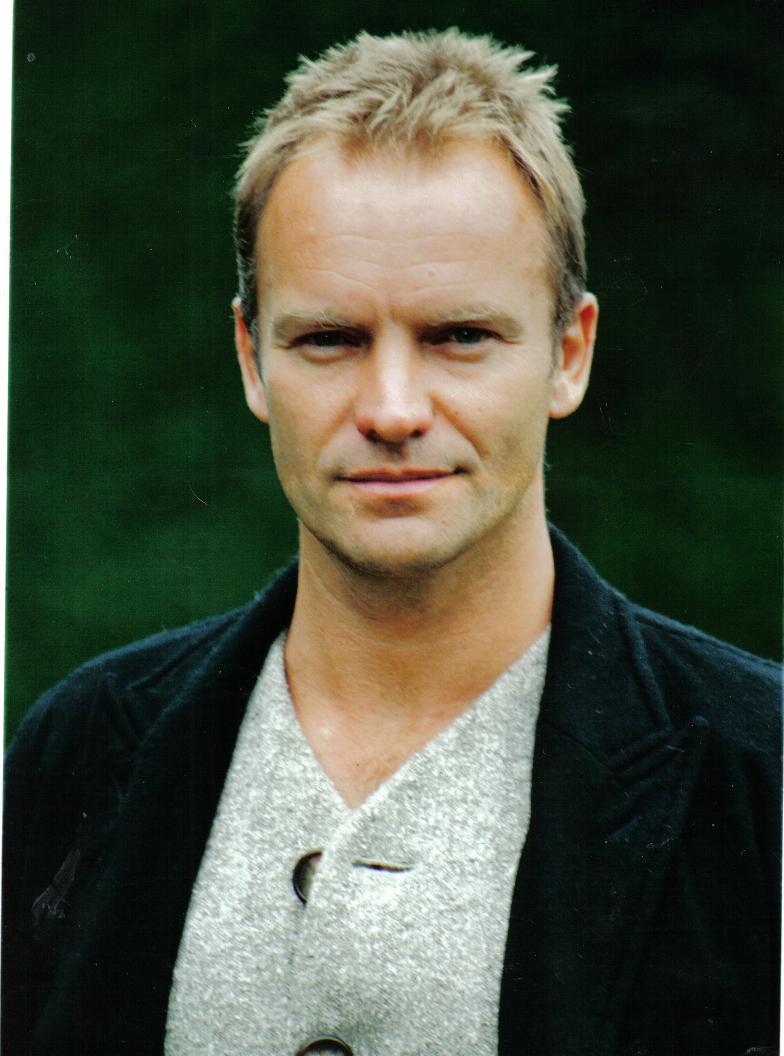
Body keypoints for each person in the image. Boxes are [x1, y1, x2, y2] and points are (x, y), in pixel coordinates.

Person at [3, 28, 780, 1056]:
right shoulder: (82, 749)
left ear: (569, 353)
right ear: (251, 358)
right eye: (330, 339)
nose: (393, 408)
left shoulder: (759, 773)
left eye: (460, 336)